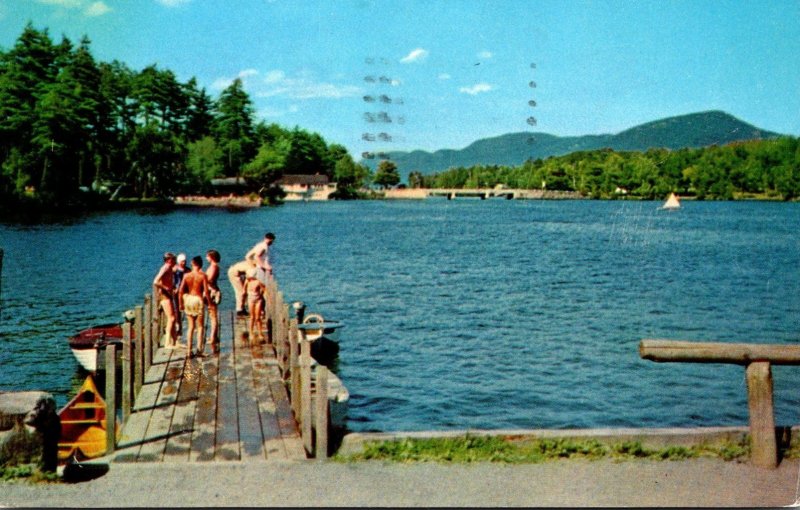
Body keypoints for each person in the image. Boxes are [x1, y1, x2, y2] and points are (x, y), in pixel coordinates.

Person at [179, 256, 209, 358]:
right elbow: (206, 291)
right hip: (198, 299)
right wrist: (208, 302)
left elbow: (181, 291)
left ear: (192, 264)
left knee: (190, 327)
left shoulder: (186, 275)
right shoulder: (203, 275)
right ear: (200, 265)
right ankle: (199, 350)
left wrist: (180, 303)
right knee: (200, 327)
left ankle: (188, 350)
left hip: (189, 299)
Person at [153, 252, 178, 348]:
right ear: (168, 260)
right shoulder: (166, 267)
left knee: (173, 318)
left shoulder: (170, 268)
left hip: (168, 294)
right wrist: (165, 287)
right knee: (171, 318)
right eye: (173, 259)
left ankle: (175, 342)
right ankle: (167, 343)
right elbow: (155, 281)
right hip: (164, 295)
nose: (174, 261)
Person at [205, 249, 221, 347]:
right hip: (210, 290)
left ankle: (213, 338)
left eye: (207, 256)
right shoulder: (212, 266)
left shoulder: (214, 267)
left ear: (211, 257)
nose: (206, 258)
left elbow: (210, 279)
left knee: (213, 315)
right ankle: (213, 335)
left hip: (213, 291)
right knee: (211, 314)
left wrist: (203, 279)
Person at [244, 267, 265, 341]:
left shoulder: (258, 282)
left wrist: (260, 295)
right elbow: (244, 291)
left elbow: (263, 289)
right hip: (250, 299)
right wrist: (244, 301)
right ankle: (251, 332)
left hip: (258, 299)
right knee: (252, 317)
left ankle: (260, 333)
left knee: (258, 317)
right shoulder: (247, 281)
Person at [172, 253, 188, 335]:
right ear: (178, 262)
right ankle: (178, 327)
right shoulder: (175, 270)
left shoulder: (187, 270)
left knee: (187, 308)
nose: (184, 263)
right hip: (177, 292)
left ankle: (191, 325)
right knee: (177, 310)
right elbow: (173, 281)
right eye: (182, 261)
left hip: (185, 291)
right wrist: (175, 288)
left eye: (185, 261)